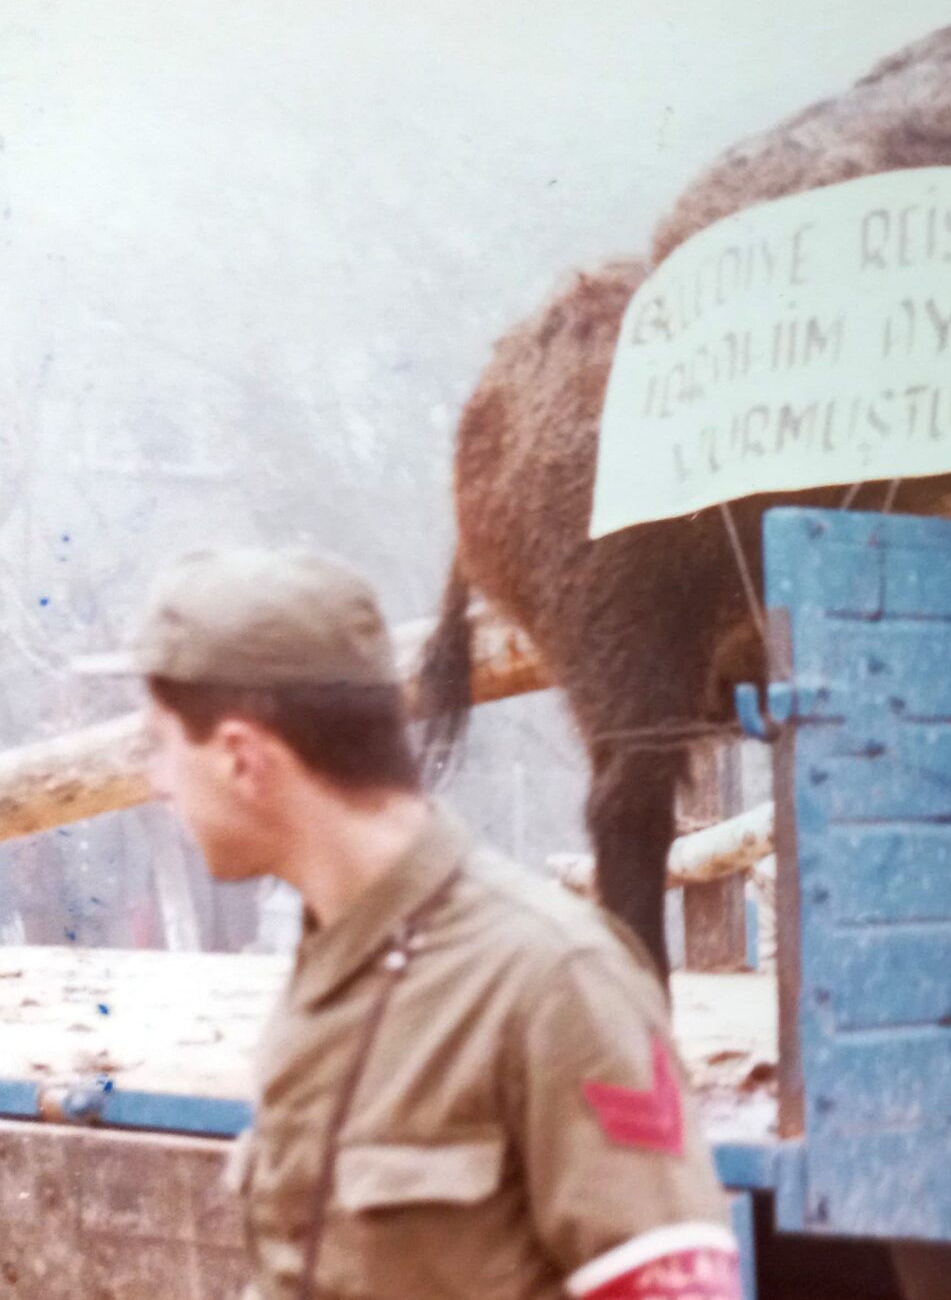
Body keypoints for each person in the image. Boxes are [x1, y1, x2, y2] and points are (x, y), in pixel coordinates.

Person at [87, 546, 743, 1300]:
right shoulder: (331, 964)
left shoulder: (553, 980)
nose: (156, 783)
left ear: (241, 758)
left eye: (162, 747)